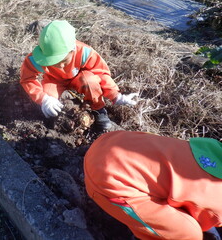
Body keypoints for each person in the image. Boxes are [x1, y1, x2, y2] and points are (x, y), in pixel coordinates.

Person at [84, 130, 222, 240]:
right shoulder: (217, 205)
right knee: (189, 235)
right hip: (107, 180)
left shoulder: (213, 149)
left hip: (111, 140)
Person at [20, 20, 138, 130]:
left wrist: (115, 95)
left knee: (90, 82)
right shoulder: (36, 59)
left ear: (73, 50)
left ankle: (98, 109)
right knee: (49, 94)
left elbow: (101, 73)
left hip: (79, 77)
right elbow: (27, 79)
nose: (60, 66)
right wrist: (43, 99)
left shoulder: (84, 52)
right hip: (54, 80)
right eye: (53, 62)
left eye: (64, 61)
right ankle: (59, 117)